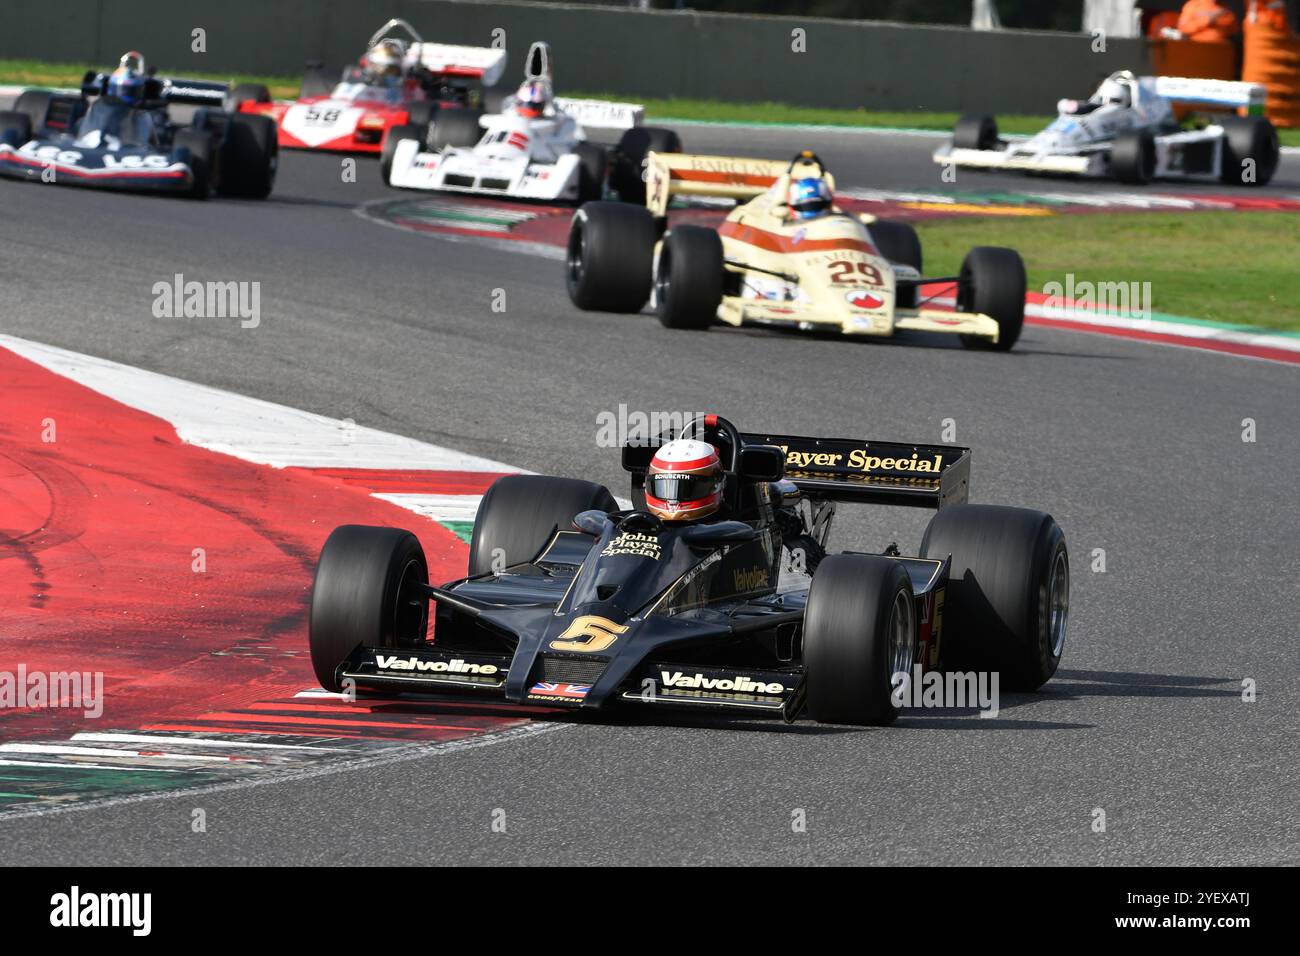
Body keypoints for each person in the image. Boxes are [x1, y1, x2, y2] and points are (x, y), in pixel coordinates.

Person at [643, 438, 724, 522]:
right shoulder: (636, 522)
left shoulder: (730, 531)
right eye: (663, 487)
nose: (672, 505)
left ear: (715, 485)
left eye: (687, 489)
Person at [1177, 0, 1241, 41]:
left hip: (1221, 49)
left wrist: (1217, 21)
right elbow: (1183, 28)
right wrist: (1204, 22)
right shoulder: (1193, 5)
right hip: (1197, 46)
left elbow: (1234, 29)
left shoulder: (1225, 9)